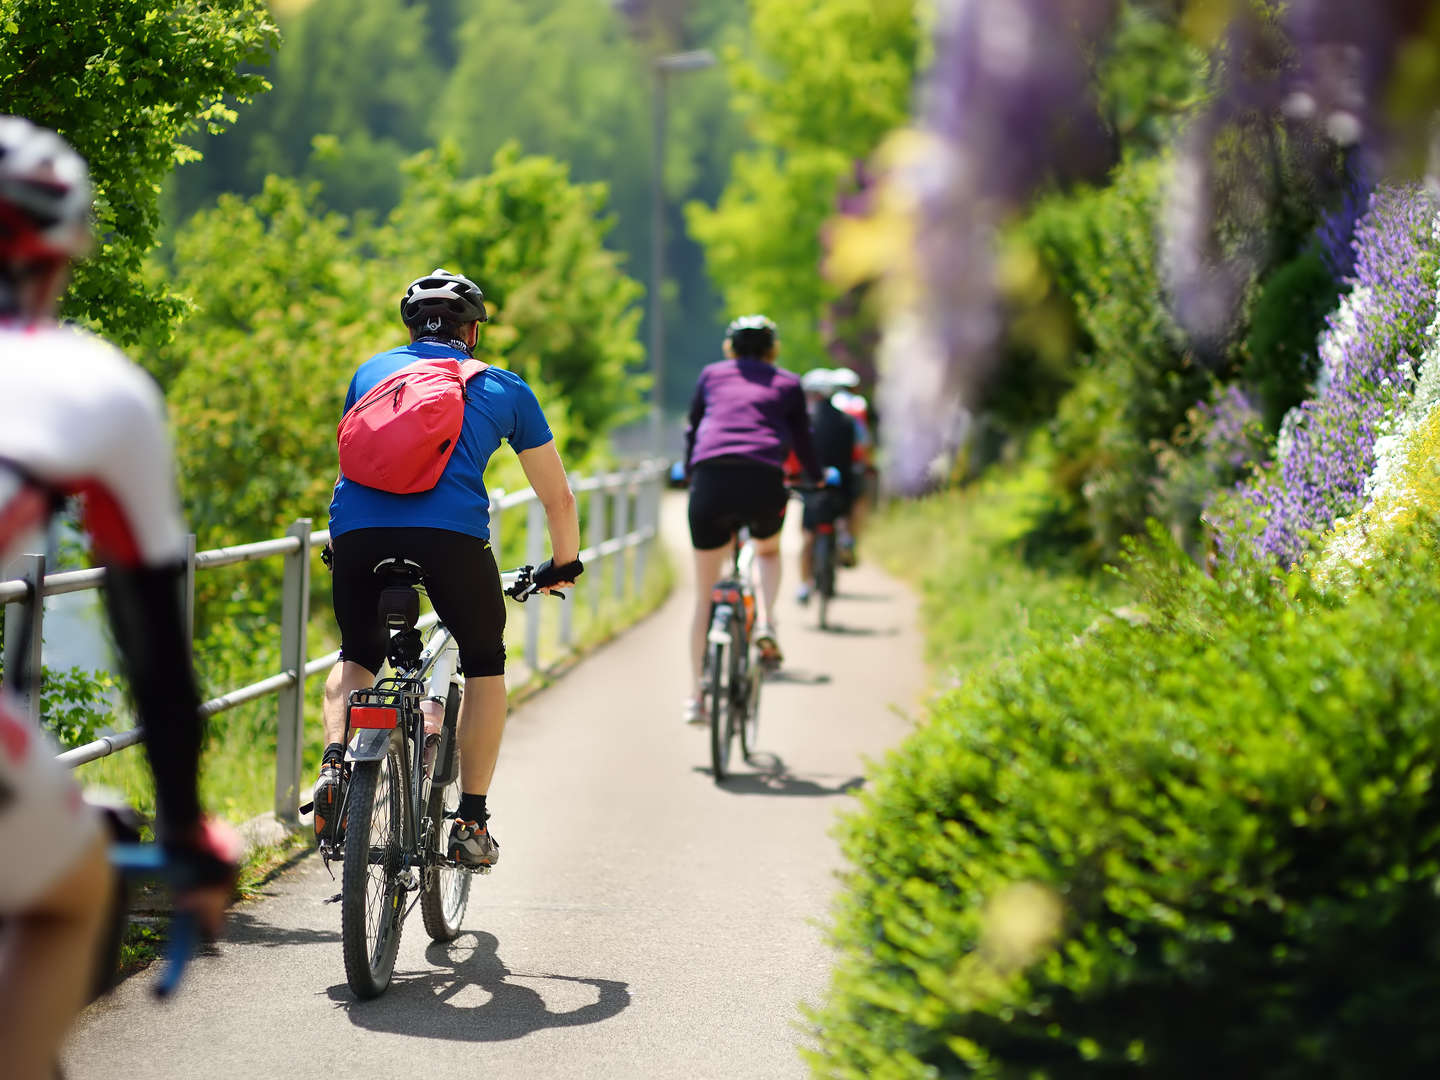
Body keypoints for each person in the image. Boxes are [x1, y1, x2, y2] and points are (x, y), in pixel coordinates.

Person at [0, 116, 236, 1079]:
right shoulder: (89, 382)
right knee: (73, 894)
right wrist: (188, 829)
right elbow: (154, 646)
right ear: (60, 250)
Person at [318, 268, 582, 869]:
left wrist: (348, 540)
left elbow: (356, 462)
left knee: (356, 657)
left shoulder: (371, 373)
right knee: (485, 662)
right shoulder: (503, 388)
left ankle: (335, 766)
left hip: (359, 535)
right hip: (451, 541)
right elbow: (558, 499)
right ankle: (470, 821)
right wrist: (563, 563)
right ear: (473, 332)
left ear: (410, 326)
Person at [681, 315, 823, 724]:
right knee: (768, 550)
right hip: (764, 479)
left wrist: (688, 469)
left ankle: (697, 698)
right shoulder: (789, 383)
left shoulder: (711, 375)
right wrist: (817, 478)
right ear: (772, 349)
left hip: (711, 480)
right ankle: (765, 620)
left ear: (731, 348)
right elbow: (802, 440)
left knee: (705, 596)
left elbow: (694, 427)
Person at [796, 369, 857, 604]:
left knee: (807, 537)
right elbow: (856, 454)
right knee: (845, 510)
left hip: (812, 486)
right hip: (841, 486)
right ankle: (845, 537)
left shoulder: (805, 421)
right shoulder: (848, 420)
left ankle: (803, 584)